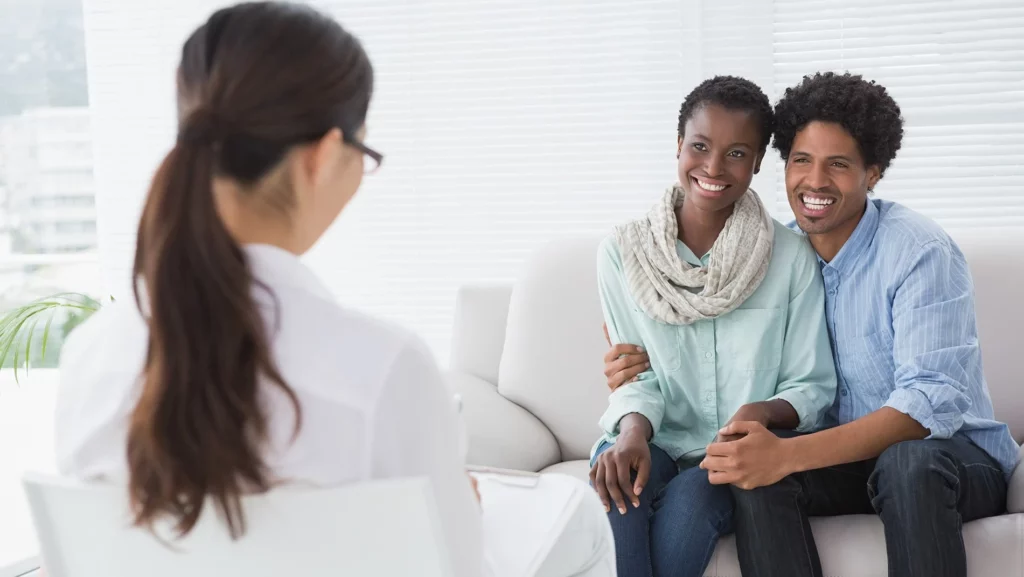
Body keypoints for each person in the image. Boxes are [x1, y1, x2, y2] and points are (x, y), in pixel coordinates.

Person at [53, 4, 615, 576]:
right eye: (363, 154)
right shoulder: (382, 369)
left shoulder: (90, 361)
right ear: (322, 157)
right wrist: (459, 514)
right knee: (582, 520)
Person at [607, 72, 1020, 577]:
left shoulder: (918, 250)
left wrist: (789, 454)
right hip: (845, 463)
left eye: (839, 165)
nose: (815, 181)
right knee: (752, 473)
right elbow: (705, 346)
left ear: (873, 173)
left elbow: (924, 405)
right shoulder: (770, 257)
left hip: (949, 461)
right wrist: (636, 364)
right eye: (802, 160)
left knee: (906, 461)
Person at [590, 76, 837, 577]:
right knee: (619, 497)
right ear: (678, 144)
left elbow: (811, 384)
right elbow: (635, 374)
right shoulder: (622, 254)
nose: (714, 167)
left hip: (733, 454)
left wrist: (760, 412)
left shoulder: (789, 258)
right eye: (699, 146)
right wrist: (631, 433)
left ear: (759, 162)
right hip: (649, 435)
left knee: (689, 511)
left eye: (737, 153)